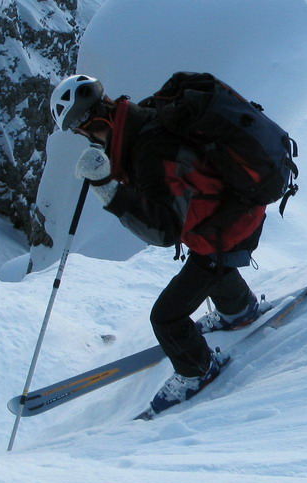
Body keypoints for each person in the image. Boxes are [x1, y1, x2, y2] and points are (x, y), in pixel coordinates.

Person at [49, 74, 266, 413]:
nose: (83, 138)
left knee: (166, 318)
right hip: (235, 210)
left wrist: (108, 188)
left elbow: (165, 232)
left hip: (229, 224)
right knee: (208, 264)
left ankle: (198, 371)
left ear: (88, 124)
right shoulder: (140, 121)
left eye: (79, 131)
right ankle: (239, 311)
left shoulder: (149, 149)